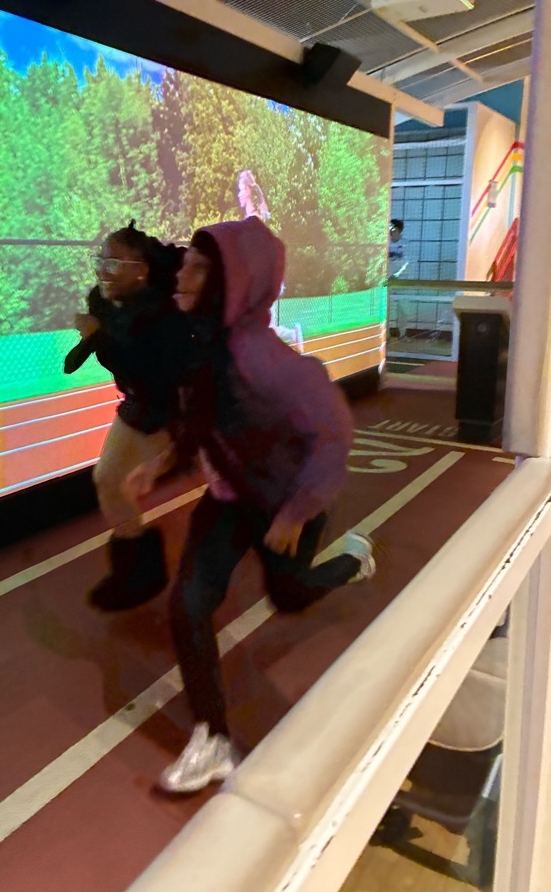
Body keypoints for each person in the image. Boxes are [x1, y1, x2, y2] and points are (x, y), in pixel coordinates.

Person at [124, 216, 375, 793]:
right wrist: (160, 467)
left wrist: (295, 512)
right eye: (184, 263)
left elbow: (334, 435)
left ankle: (351, 560)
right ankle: (212, 739)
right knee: (188, 607)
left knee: (289, 595)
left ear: (235, 284)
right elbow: (203, 423)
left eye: (198, 267)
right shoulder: (203, 347)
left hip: (284, 502)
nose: (181, 274)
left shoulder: (267, 362)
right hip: (229, 499)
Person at [64, 221, 191, 611]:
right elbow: (118, 354)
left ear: (142, 270)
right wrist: (94, 339)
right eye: (100, 259)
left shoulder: (162, 314)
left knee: (221, 478)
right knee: (109, 480)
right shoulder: (103, 303)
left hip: (175, 407)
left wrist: (96, 338)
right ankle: (139, 568)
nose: (103, 269)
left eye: (115, 261)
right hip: (140, 402)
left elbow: (149, 369)